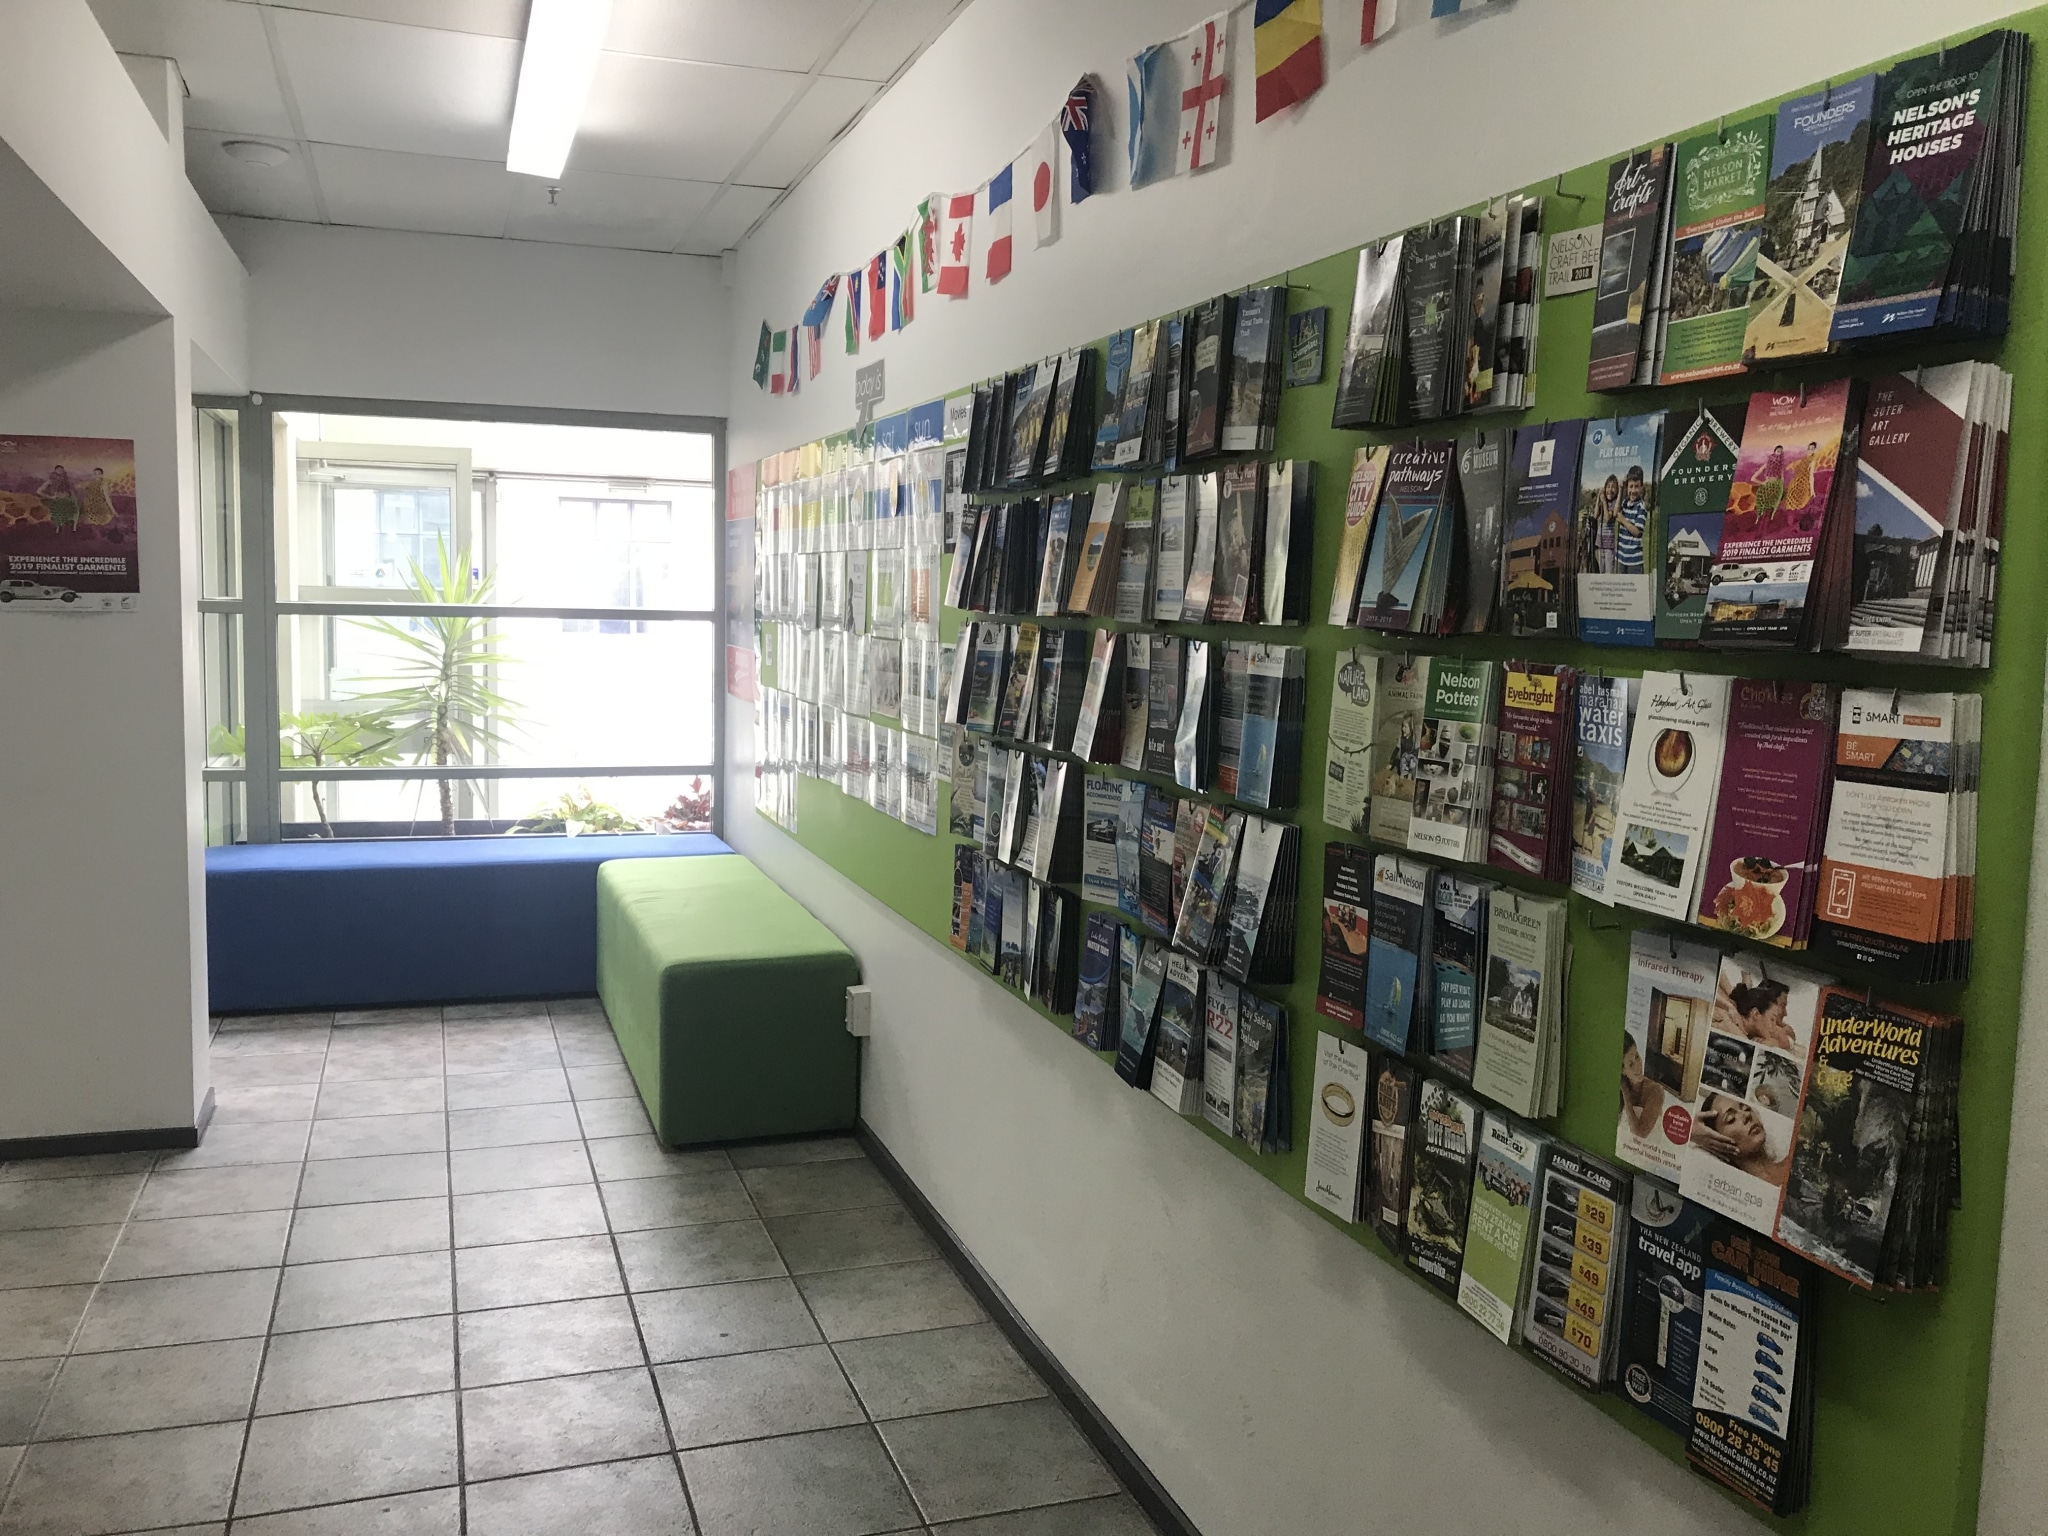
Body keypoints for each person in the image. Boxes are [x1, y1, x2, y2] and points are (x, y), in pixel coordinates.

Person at [1690, 1092, 1790, 1185]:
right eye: (1731, 1119)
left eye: (1746, 1108)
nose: (1747, 1115)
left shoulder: (1794, 1159)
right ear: (1714, 1141)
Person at [1725, 977, 1797, 1050]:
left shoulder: (1755, 1027)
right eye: (1772, 1019)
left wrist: (1775, 1043)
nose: (1785, 1013)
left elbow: (1789, 1041)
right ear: (1756, 1014)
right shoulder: (1733, 1029)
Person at [1620, 1038, 1665, 1141]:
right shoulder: (1619, 1088)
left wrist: (1625, 1093)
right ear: (1623, 1071)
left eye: (1637, 1056)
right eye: (1631, 1064)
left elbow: (1640, 1133)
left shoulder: (1656, 1090)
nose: (1638, 1066)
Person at [1615, 464, 1649, 574]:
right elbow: (1616, 513)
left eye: (1636, 486)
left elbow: (1637, 532)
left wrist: (1623, 520)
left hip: (1634, 561)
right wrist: (1620, 489)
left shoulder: (1641, 507)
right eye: (1631, 486)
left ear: (1641, 487)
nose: (1633, 490)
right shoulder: (1625, 502)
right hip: (1621, 558)